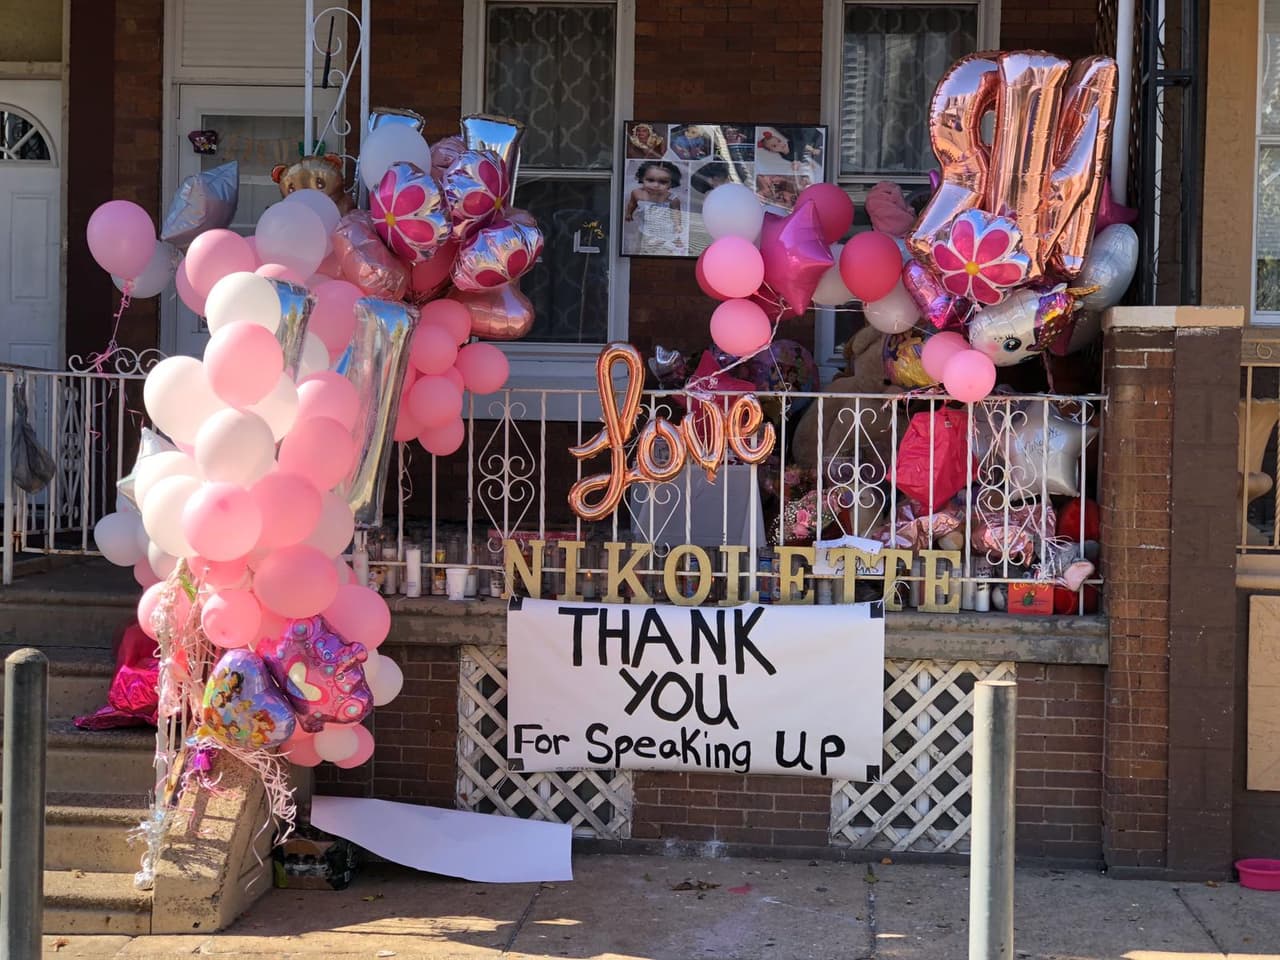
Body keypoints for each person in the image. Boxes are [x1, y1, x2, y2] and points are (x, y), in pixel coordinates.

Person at [626, 161, 685, 255]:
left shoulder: (672, 199)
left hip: (664, 229)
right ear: (642, 178)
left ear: (671, 184)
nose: (656, 185)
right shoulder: (637, 193)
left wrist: (677, 224)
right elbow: (632, 204)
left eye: (663, 182)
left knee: (666, 249)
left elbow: (676, 212)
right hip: (644, 228)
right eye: (650, 180)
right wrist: (629, 213)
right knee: (639, 245)